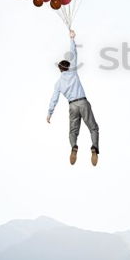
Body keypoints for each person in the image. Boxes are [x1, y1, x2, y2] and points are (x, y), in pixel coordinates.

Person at [47, 29, 99, 166]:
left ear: (60, 69)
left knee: (73, 131)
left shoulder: (58, 83)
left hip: (72, 106)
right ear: (68, 66)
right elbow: (74, 53)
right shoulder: (73, 71)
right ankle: (94, 147)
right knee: (93, 128)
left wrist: (49, 113)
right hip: (82, 102)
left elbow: (54, 99)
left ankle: (74, 146)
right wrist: (72, 38)